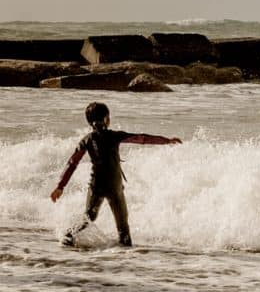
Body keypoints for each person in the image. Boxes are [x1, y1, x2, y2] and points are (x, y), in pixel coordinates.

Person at [50, 102, 182, 247]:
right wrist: (166, 141)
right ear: (107, 119)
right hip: (115, 188)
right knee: (123, 228)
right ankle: (126, 260)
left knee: (89, 217)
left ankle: (68, 237)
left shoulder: (87, 140)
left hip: (96, 186)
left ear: (89, 122)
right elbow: (141, 138)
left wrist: (60, 186)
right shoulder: (113, 136)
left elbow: (72, 163)